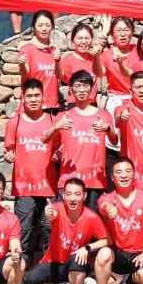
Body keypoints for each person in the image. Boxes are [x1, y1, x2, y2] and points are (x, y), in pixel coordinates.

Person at [25, 177, 110, 284]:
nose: (73, 199)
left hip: (76, 263)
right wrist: (49, 214)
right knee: (30, 280)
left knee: (78, 257)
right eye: (69, 194)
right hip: (54, 263)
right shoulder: (57, 208)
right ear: (63, 195)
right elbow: (52, 215)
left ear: (84, 196)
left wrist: (87, 248)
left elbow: (106, 240)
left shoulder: (91, 217)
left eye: (77, 194)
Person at [4, 79, 59, 263]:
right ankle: (21, 270)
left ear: (43, 97)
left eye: (37, 95)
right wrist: (8, 156)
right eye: (29, 96)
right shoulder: (15, 122)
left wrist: (58, 155)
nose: (33, 99)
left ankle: (46, 271)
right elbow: (9, 151)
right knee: (24, 231)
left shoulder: (53, 121)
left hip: (49, 186)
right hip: (23, 187)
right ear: (23, 98)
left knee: (49, 230)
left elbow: (60, 148)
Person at [55, 70, 116, 206]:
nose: (82, 90)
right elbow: (48, 142)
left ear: (92, 88)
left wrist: (107, 129)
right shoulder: (63, 117)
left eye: (85, 86)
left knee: (92, 217)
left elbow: (114, 141)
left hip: (96, 180)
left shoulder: (104, 115)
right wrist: (55, 151)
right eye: (77, 86)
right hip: (69, 180)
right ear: (71, 90)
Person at [18, 10, 62, 112]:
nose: (44, 29)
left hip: (52, 105)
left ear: (52, 27)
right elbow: (25, 75)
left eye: (48, 25)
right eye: (40, 25)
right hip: (33, 105)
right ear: (34, 27)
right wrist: (22, 65)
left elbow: (60, 76)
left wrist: (58, 61)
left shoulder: (54, 50)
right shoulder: (26, 49)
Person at [59, 22, 106, 100]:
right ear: (73, 40)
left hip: (92, 104)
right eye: (80, 38)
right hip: (75, 103)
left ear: (91, 40)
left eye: (87, 38)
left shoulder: (95, 58)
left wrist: (97, 57)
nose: (84, 42)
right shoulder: (68, 60)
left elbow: (101, 74)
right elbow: (60, 76)